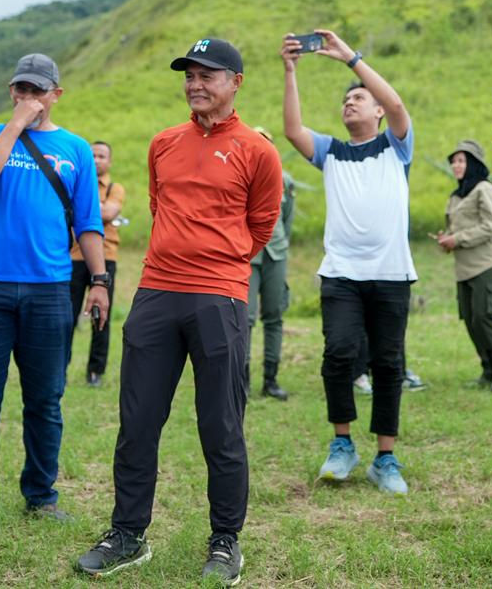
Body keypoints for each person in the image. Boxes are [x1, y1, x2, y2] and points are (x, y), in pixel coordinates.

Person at [75, 38, 281, 585]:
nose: (194, 83)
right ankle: (127, 534)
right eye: (189, 75)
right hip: (156, 294)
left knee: (221, 426)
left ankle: (225, 540)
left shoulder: (258, 151)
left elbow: (261, 225)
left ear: (235, 82)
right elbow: (162, 208)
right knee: (138, 422)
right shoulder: (164, 143)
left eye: (206, 74)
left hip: (220, 297)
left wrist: (221, 262)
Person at [0, 53, 108, 529]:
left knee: (45, 398)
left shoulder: (76, 149)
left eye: (38, 91)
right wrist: (16, 125)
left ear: (55, 95)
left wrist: (99, 281)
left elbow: (88, 222)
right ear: (11, 91)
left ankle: (41, 494)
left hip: (51, 290)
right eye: (21, 89)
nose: (28, 98)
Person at [282, 30, 417, 495]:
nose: (350, 104)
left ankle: (385, 456)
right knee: (338, 354)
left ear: (377, 109)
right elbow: (293, 131)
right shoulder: (331, 153)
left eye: (359, 98)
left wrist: (351, 60)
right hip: (341, 272)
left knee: (388, 363)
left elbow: (398, 106)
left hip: (391, 274)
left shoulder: (397, 146)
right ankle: (342, 445)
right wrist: (291, 71)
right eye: (346, 101)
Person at [436, 139, 492, 392]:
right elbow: (457, 228)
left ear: (474, 163)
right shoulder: (456, 197)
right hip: (463, 268)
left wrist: (457, 239)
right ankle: (487, 370)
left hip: (487, 264)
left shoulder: (485, 189)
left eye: (461, 160)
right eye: (454, 161)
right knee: (470, 320)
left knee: (485, 317)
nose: (456, 166)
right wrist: (446, 238)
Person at [69, 140, 124, 388]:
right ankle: (60, 366)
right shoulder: (76, 182)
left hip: (106, 258)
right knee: (67, 315)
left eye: (102, 155)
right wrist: (95, 208)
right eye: (93, 155)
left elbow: (110, 213)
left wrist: (84, 206)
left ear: (110, 161)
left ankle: (96, 371)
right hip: (73, 257)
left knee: (101, 316)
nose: (97, 159)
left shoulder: (115, 188)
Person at [248, 125, 295, 401]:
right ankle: (240, 380)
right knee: (245, 318)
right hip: (248, 255)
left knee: (275, 316)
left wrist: (281, 243)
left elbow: (287, 218)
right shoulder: (239, 176)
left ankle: (271, 379)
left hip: (276, 252)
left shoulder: (284, 180)